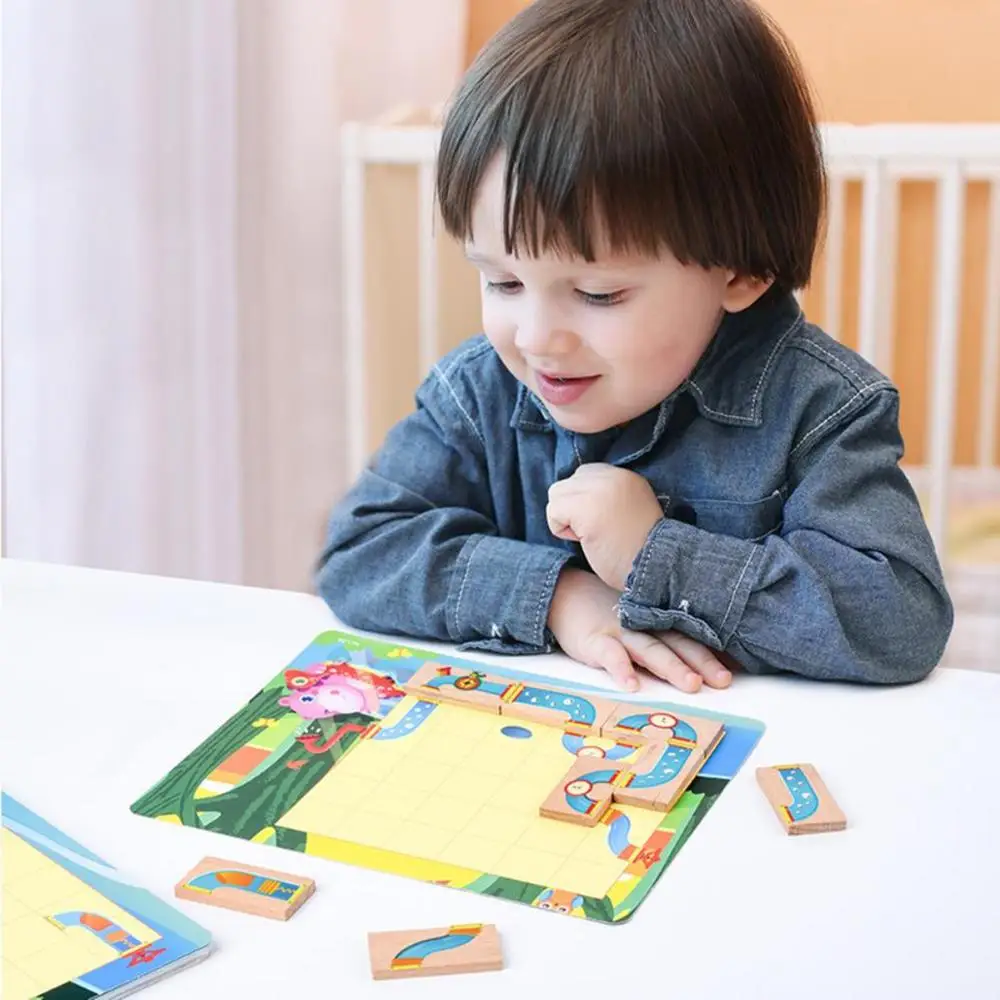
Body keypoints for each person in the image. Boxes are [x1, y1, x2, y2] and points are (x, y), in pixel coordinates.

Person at [317, 0, 953, 693]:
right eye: (503, 282)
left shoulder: (820, 411)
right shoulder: (479, 394)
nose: (535, 337)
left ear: (742, 271)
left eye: (598, 294)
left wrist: (656, 553)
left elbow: (901, 621)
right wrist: (558, 596)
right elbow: (360, 551)